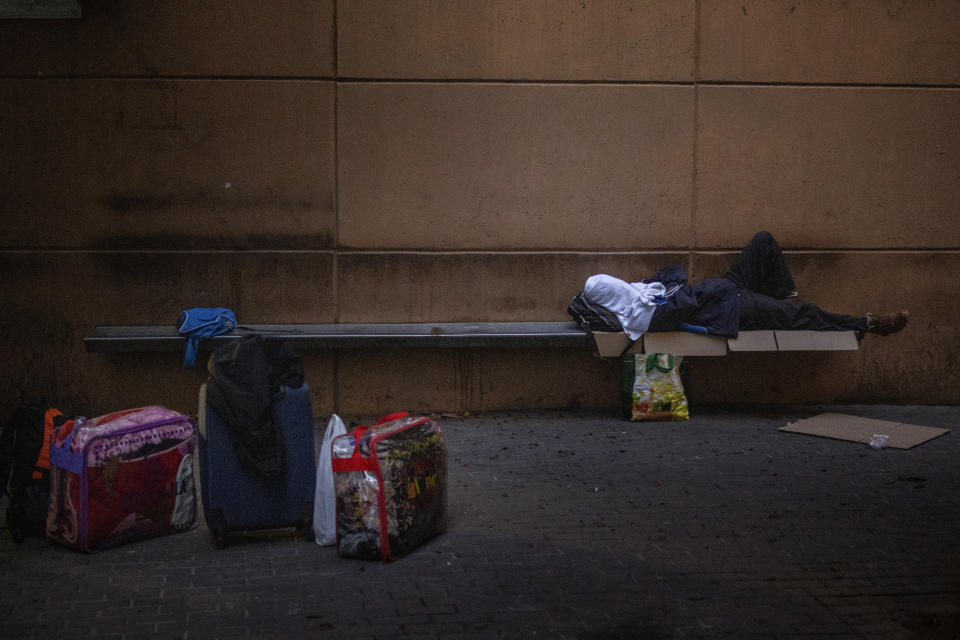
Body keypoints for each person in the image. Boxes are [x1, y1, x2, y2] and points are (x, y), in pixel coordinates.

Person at [586, 232, 908, 341]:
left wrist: (665, 284)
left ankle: (782, 300)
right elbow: (681, 294)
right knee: (805, 315)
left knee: (763, 242)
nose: (619, 285)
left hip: (726, 290)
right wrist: (668, 286)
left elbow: (675, 275)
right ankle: (867, 324)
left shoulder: (639, 293)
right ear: (610, 297)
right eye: (613, 287)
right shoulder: (638, 317)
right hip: (730, 310)